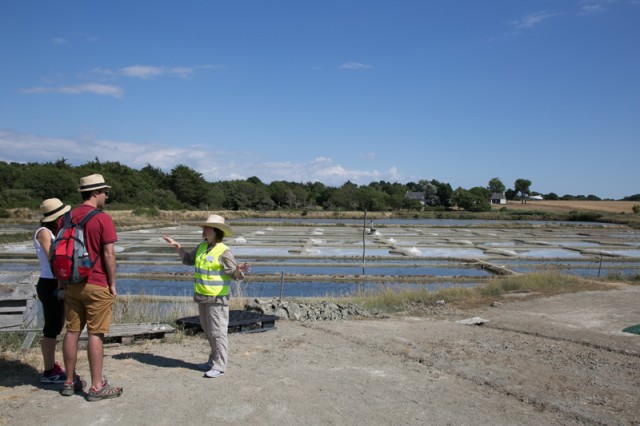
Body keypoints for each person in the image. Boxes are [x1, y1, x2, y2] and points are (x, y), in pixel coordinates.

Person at [59, 174, 123, 401]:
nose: (106, 195)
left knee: (72, 331)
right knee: (96, 334)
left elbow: (58, 252)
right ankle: (97, 386)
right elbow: (109, 253)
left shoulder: (66, 217)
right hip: (96, 283)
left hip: (71, 284)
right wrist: (112, 283)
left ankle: (69, 381)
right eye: (105, 192)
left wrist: (62, 282)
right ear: (95, 193)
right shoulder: (102, 219)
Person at [163, 214, 250, 378]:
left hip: (217, 299)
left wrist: (238, 269)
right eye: (204, 227)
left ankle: (220, 366)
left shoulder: (224, 252)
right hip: (203, 297)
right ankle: (212, 361)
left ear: (216, 231)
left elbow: (234, 275)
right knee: (209, 331)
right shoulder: (202, 247)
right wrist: (178, 247)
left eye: (206, 227)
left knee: (218, 332)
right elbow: (188, 259)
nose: (203, 230)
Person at [34, 198, 71, 384]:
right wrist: (61, 283)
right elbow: (53, 259)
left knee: (56, 326)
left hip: (55, 281)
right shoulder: (44, 232)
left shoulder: (52, 232)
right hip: (50, 283)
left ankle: (52, 366)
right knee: (52, 328)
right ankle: (49, 371)